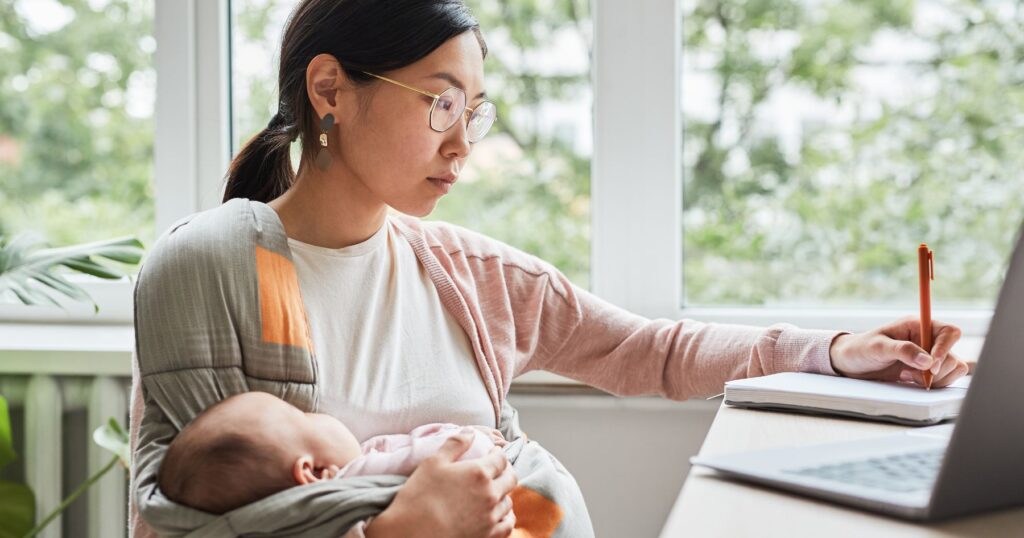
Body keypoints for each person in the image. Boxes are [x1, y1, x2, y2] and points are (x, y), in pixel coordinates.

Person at [129, 0, 971, 537]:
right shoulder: (221, 272)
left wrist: (837, 351)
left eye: (475, 110)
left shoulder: (463, 273)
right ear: (330, 90)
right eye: (440, 102)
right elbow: (170, 526)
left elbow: (652, 351)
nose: (463, 142)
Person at [158, 392, 508, 515]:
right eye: (304, 417)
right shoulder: (358, 479)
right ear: (312, 472)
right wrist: (472, 435)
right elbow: (460, 456)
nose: (317, 413)